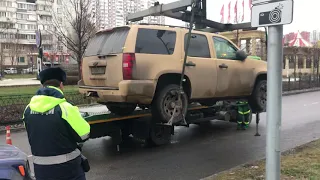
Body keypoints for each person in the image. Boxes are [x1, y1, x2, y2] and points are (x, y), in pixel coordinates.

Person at [22, 67, 90, 180]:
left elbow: (32, 132)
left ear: (42, 85)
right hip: (69, 171)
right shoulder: (65, 108)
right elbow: (84, 134)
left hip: (41, 171)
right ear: (61, 84)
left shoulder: (28, 110)